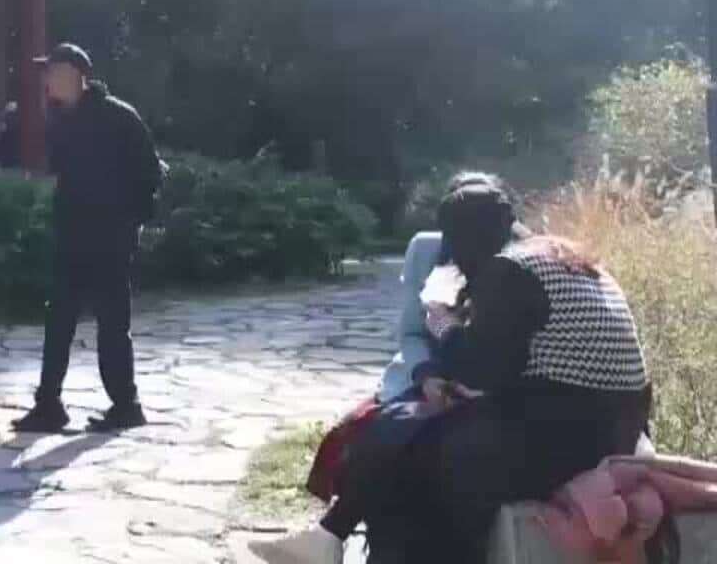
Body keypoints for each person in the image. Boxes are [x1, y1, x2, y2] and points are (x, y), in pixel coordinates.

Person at [316, 179, 650, 564]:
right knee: (412, 441)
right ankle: (333, 539)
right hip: (613, 426)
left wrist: (441, 322)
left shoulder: (508, 269)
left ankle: (340, 541)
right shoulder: (555, 254)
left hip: (567, 436)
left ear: (464, 237)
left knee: (415, 457)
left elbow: (479, 370)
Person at [251, 172, 501, 564]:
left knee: (400, 443)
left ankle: (330, 538)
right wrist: (427, 375)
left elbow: (494, 350)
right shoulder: (428, 251)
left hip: (480, 390)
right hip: (428, 376)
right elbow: (414, 331)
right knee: (364, 430)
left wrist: (452, 343)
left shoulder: (514, 265)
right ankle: (341, 542)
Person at [13, 43, 164, 435]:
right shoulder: (61, 120)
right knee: (57, 320)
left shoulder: (119, 117)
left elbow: (150, 174)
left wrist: (130, 225)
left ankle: (126, 405)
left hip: (110, 240)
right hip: (71, 237)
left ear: (74, 74)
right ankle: (48, 406)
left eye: (52, 71)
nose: (45, 80)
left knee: (113, 325)